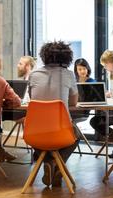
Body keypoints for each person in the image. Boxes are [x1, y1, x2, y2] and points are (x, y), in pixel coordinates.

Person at [28, 41, 79, 187]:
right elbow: (74, 102)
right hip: (60, 130)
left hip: (34, 132)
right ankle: (56, 165)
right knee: (75, 135)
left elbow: (33, 99)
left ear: (44, 56)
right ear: (67, 58)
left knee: (42, 140)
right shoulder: (69, 75)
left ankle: (49, 162)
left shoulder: (34, 74)